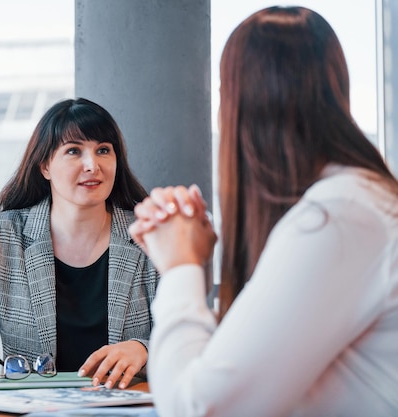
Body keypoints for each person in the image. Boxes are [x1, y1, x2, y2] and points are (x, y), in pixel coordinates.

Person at [129, 6, 398, 417]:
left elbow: (196, 408)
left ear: (242, 105)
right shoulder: (357, 202)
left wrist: (180, 265)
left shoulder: (337, 216)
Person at [0, 97, 159, 390]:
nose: (92, 165)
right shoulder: (4, 237)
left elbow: (191, 339)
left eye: (103, 150)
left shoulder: (151, 235)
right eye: (73, 151)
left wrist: (143, 349)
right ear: (45, 166)